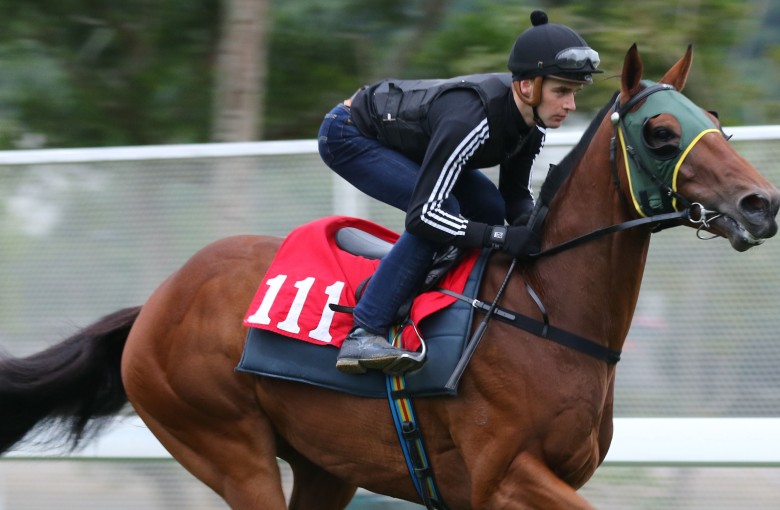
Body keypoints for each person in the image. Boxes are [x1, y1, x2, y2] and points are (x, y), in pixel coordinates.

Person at [317, 10, 601, 375]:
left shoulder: (531, 123)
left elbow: (514, 197)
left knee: (487, 205)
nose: (570, 105)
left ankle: (423, 280)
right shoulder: (473, 121)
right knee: (441, 213)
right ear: (527, 86)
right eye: (561, 91)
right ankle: (364, 332)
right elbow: (423, 216)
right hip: (349, 134)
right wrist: (500, 236)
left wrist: (539, 233)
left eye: (574, 93)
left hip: (406, 140)